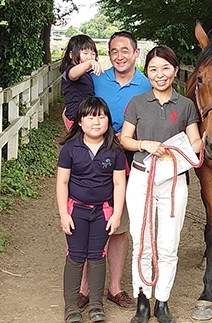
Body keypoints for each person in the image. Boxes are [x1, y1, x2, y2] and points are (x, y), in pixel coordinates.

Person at [120, 46, 202, 323]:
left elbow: (194, 141)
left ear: (175, 71)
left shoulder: (186, 105)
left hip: (174, 181)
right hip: (143, 176)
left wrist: (203, 142)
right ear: (148, 72)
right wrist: (145, 144)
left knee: (168, 243)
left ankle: (162, 300)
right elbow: (125, 139)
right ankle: (143, 299)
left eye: (165, 68)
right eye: (153, 69)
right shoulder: (138, 102)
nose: (160, 74)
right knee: (141, 241)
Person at [77, 31, 153, 312]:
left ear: (136, 54)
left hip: (129, 162)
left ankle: (115, 288)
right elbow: (74, 105)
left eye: (125, 50)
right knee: (85, 221)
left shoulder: (147, 85)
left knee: (118, 226)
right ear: (108, 55)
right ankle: (84, 288)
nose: (119, 56)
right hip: (93, 160)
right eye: (113, 51)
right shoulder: (96, 79)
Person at [57, 96, 127, 323]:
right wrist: (63, 214)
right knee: (76, 256)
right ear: (79, 121)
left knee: (98, 256)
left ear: (108, 120)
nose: (96, 122)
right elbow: (62, 183)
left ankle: (96, 306)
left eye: (101, 116)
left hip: (103, 212)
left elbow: (119, 183)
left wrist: (116, 214)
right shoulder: (70, 149)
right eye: (89, 116)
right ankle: (71, 307)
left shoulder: (115, 150)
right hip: (76, 210)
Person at [59, 34, 102, 130]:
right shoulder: (71, 71)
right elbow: (73, 74)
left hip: (84, 118)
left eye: (93, 54)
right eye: (85, 53)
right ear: (71, 55)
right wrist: (89, 63)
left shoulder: (86, 75)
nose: (90, 57)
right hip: (77, 119)